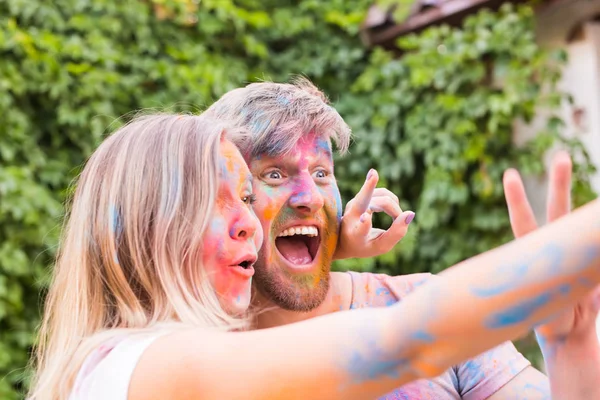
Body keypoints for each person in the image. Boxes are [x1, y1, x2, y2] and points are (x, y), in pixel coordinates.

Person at [205, 77, 600, 399]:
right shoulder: (195, 356)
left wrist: (571, 348)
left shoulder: (422, 302)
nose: (311, 198)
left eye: (323, 173)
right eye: (274, 174)